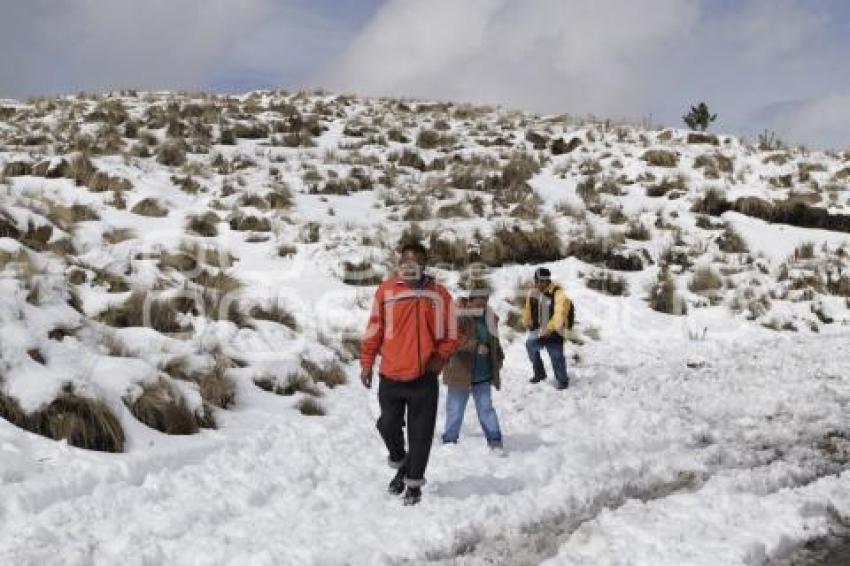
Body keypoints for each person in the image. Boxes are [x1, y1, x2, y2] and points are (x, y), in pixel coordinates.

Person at [360, 243, 459, 506]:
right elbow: (374, 328)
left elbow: (452, 332)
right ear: (398, 263)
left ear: (424, 264)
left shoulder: (439, 294)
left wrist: (440, 358)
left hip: (424, 377)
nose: (409, 266)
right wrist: (367, 362)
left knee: (421, 433)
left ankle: (413, 484)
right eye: (404, 261)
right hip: (391, 375)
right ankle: (402, 463)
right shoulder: (387, 291)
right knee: (387, 424)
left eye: (415, 262)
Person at [441, 292, 505, 452]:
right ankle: (450, 441)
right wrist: (476, 346)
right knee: (455, 409)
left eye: (485, 301)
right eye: (478, 301)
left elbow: (494, 342)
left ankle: (495, 440)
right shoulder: (457, 315)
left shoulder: (490, 318)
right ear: (469, 301)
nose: (482, 305)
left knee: (486, 408)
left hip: (483, 375)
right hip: (460, 372)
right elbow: (453, 339)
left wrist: (498, 357)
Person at [522, 267, 571, 390]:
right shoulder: (532, 293)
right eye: (538, 281)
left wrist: (549, 328)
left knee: (556, 356)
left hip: (555, 331)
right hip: (538, 330)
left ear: (548, 280)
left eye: (544, 281)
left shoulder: (559, 293)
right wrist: (526, 322)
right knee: (530, 345)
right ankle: (540, 373)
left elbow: (560, 313)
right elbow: (528, 309)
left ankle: (562, 380)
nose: (541, 284)